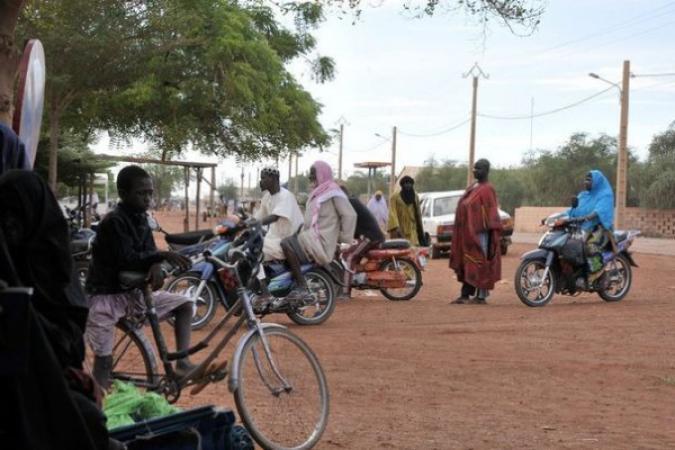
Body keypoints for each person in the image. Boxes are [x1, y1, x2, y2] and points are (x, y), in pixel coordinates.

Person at [0, 170, 116, 449]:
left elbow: (64, 333)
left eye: (17, 214)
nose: (11, 225)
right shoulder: (6, 263)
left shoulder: (53, 260)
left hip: (52, 376)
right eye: (5, 215)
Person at [85, 165, 193, 389]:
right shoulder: (113, 221)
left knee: (185, 305)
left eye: (150, 193)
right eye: (141, 193)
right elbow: (127, 257)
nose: (147, 198)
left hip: (133, 294)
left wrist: (155, 263)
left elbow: (147, 250)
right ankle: (95, 413)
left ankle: (182, 362)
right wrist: (160, 255)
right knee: (104, 362)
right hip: (105, 297)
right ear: (123, 194)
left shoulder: (142, 219)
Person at [279, 161, 357, 305]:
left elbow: (349, 215)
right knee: (281, 244)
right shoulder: (318, 192)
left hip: (321, 241)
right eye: (310, 174)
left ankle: (302, 285)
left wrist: (344, 239)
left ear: (322, 174)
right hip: (311, 237)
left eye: (313, 174)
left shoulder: (333, 192)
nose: (310, 177)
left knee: (285, 244)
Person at [449, 159, 502, 305]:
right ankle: (465, 294)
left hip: (481, 234)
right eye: (474, 168)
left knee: (480, 262)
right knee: (469, 263)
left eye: (478, 169)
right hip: (467, 234)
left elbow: (491, 212)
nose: (474, 171)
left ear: (486, 170)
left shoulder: (487, 189)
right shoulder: (473, 187)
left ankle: (481, 296)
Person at [253, 167, 304, 307]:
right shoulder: (267, 197)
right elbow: (258, 217)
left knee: (256, 252)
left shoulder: (285, 196)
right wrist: (244, 222)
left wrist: (256, 223)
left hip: (290, 238)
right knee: (250, 250)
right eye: (261, 177)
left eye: (263, 178)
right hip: (274, 237)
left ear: (274, 179)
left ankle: (265, 292)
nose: (260, 181)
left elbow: (274, 217)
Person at [566, 170, 615, 286]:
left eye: (589, 180)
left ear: (596, 182)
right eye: (585, 180)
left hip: (601, 229)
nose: (585, 183)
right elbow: (572, 212)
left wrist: (588, 217)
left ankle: (596, 274)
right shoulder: (583, 195)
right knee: (569, 245)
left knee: (589, 246)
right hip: (583, 228)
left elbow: (600, 210)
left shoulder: (605, 195)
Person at [340, 186, 385, 297]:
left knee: (348, 257)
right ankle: (354, 280)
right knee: (349, 253)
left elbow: (348, 222)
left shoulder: (350, 203)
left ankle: (345, 292)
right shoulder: (351, 202)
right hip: (367, 236)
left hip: (369, 237)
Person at [388, 175, 425, 245]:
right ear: (402, 185)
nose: (408, 185)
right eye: (406, 183)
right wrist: (396, 227)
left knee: (414, 247)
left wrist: (420, 229)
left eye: (410, 183)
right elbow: (392, 212)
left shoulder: (415, 196)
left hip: (412, 227)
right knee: (401, 248)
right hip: (400, 228)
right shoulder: (395, 196)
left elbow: (418, 213)